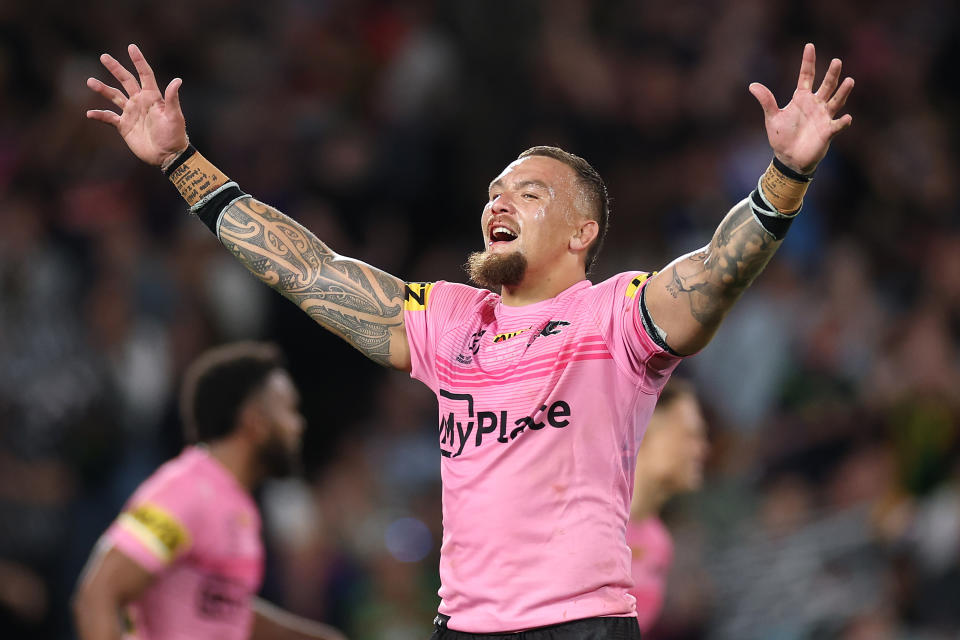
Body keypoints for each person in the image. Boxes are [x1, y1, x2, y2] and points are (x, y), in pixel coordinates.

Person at [85, 42, 854, 638]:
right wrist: (184, 166)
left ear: (582, 232)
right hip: (463, 626)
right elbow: (311, 272)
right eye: (494, 191)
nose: (499, 200)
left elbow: (715, 276)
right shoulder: (450, 319)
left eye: (529, 191)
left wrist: (784, 174)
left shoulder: (616, 316)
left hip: (578, 625)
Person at [72, 342, 346, 640]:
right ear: (254, 421)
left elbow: (219, 610)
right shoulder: (187, 490)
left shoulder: (233, 501)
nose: (299, 426)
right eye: (288, 410)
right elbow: (98, 594)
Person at [627, 378, 709, 634]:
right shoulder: (582, 517)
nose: (702, 450)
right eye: (689, 435)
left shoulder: (658, 543)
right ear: (647, 425)